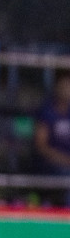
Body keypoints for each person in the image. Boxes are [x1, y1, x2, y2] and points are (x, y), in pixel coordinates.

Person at [35, 73, 70, 206]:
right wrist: (65, 160)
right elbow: (41, 146)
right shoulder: (47, 112)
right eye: (65, 84)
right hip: (52, 163)